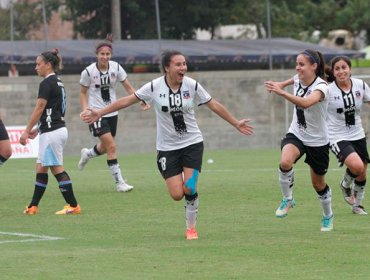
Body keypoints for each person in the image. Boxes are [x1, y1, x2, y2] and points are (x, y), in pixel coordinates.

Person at [81, 50, 254, 240]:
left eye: (184, 64)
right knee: (177, 194)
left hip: (193, 144)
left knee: (190, 187)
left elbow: (214, 105)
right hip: (167, 148)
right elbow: (126, 101)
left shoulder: (192, 85)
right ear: (167, 68)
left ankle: (191, 228)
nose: (183, 68)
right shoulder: (154, 87)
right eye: (178, 64)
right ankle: (181, 184)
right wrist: (99, 112)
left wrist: (235, 122)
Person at [264, 49, 334, 232]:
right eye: (297, 64)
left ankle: (328, 216)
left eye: (302, 64)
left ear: (314, 66)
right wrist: (278, 84)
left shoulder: (322, 87)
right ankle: (287, 199)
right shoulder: (297, 78)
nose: (298, 68)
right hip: (297, 134)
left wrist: (281, 92)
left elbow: (306, 103)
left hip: (318, 141)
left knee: (318, 184)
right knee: (285, 161)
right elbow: (288, 81)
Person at [78, 34, 147, 192]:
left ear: (111, 55)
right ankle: (119, 183)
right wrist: (85, 109)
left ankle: (88, 154)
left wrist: (141, 99)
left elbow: (129, 88)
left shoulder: (116, 68)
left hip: (112, 113)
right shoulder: (88, 72)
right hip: (95, 114)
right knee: (112, 147)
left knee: (105, 147)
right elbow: (82, 93)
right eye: (102, 54)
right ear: (97, 55)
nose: (104, 57)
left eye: (107, 54)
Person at [20, 49, 81, 215]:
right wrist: (37, 129)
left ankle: (73, 205)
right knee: (41, 167)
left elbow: (40, 108)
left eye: (38, 64)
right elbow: (53, 111)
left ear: (48, 65)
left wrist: (26, 131)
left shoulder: (47, 83)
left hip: (52, 132)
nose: (36, 67)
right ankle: (33, 206)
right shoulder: (58, 82)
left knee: (56, 168)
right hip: (53, 130)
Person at [326, 56, 370, 215]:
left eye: (344, 67)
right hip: (337, 136)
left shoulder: (360, 85)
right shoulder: (328, 90)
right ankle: (345, 185)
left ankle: (357, 206)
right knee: (357, 166)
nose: (341, 71)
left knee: (362, 171)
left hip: (357, 133)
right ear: (333, 72)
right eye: (337, 68)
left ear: (350, 69)